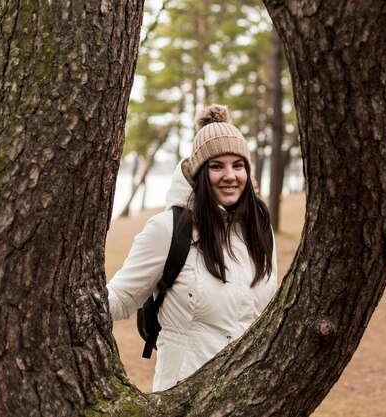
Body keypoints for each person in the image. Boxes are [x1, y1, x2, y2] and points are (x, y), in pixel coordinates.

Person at [107, 104, 277, 392]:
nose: (230, 176)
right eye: (216, 166)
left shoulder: (259, 231)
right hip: (183, 398)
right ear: (199, 173)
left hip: (247, 398)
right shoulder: (168, 229)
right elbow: (120, 298)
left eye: (238, 165)